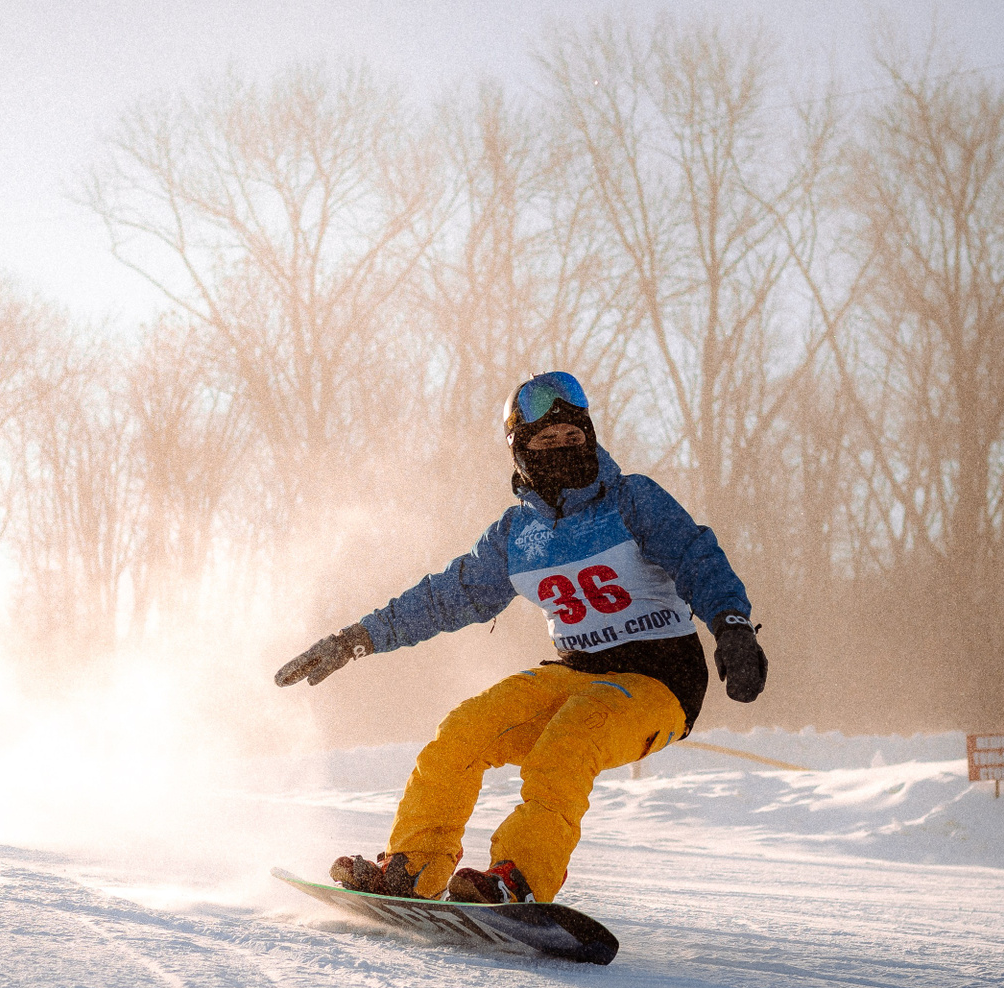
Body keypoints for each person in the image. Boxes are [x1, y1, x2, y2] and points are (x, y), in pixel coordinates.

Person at [274, 371, 767, 905]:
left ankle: (520, 878)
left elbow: (696, 557)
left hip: (661, 678)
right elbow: (443, 598)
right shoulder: (516, 536)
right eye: (546, 441)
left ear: (591, 438)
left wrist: (732, 626)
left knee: (571, 739)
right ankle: (413, 866)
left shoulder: (632, 501)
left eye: (573, 437)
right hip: (577, 671)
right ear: (520, 451)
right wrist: (355, 639)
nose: (562, 450)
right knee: (465, 729)